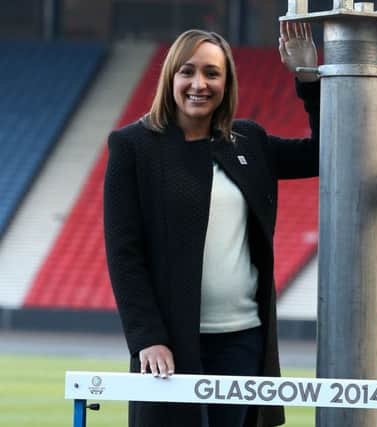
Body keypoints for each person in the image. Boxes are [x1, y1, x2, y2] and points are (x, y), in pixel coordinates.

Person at [103, 23, 318, 427]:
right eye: (187, 71)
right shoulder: (133, 146)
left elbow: (325, 152)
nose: (198, 84)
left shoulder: (248, 141)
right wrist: (147, 337)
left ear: (227, 82)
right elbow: (123, 252)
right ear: (170, 77)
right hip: (168, 345)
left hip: (242, 340)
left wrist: (307, 77)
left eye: (212, 73)